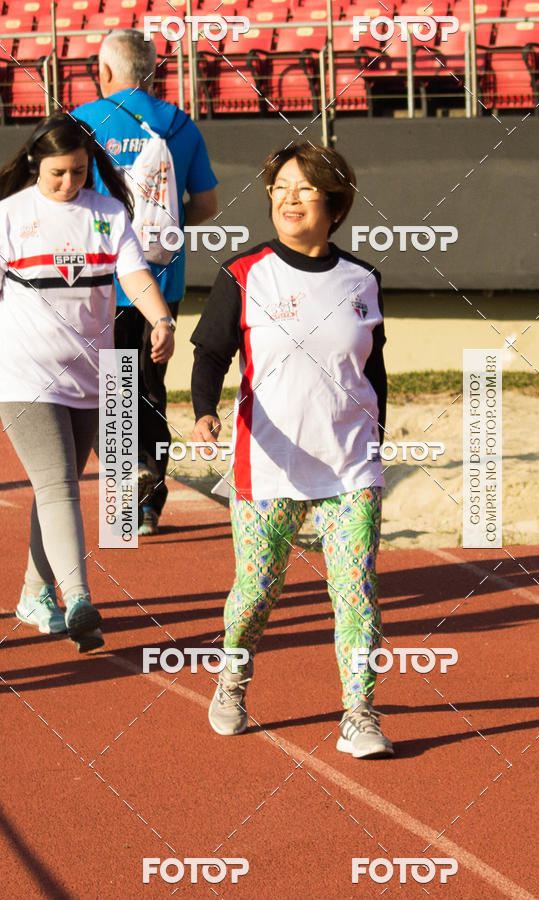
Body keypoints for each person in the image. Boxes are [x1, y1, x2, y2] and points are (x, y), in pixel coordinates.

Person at [190, 142, 393, 758]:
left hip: (351, 465)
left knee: (356, 591)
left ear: (334, 204)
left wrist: (378, 431)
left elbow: (373, 366)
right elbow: (211, 354)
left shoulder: (362, 279)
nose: (287, 198)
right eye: (279, 187)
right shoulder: (245, 273)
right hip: (268, 465)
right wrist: (204, 410)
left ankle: (359, 712)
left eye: (303, 188)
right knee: (256, 592)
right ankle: (232, 678)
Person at [0, 113, 174, 651]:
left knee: (58, 488)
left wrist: (161, 319)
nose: (68, 183)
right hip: (24, 374)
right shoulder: (8, 215)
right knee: (59, 486)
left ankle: (34, 593)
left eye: (78, 172)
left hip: (92, 376)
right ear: (35, 164)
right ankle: (79, 599)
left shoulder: (108, 213)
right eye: (57, 174)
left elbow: (133, 274)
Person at [74, 28, 218, 536]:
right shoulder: (182, 125)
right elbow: (205, 206)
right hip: (162, 278)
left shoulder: (82, 123)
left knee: (112, 390)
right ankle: (150, 502)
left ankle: (120, 503)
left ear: (105, 71)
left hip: (98, 279)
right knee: (151, 388)